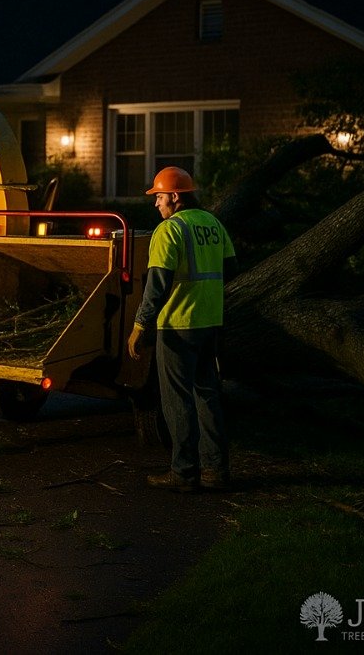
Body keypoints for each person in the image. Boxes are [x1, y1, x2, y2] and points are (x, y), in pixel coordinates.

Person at [127, 167, 237, 493]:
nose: (156, 204)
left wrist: (139, 326)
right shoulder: (213, 224)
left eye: (159, 196)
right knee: (208, 395)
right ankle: (216, 471)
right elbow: (229, 268)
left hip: (177, 325)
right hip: (209, 322)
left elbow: (156, 286)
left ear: (175, 197)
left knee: (177, 400)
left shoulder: (169, 230)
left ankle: (184, 472)